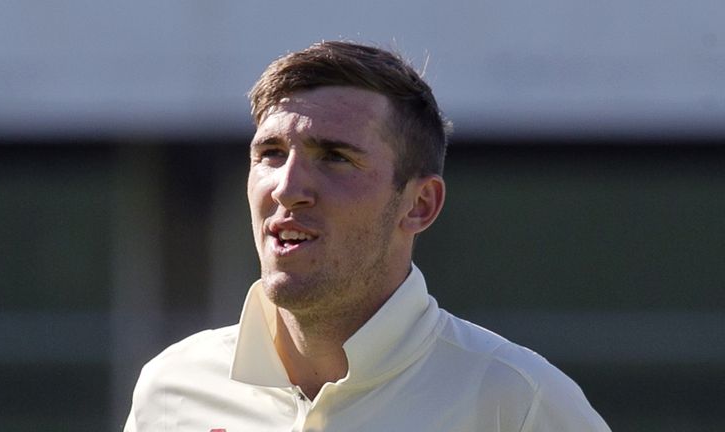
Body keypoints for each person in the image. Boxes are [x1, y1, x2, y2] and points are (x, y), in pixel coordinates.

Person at [123, 41, 610, 431]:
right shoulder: (172, 388)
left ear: (419, 205)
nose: (288, 189)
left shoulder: (518, 402)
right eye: (270, 153)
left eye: (335, 157)